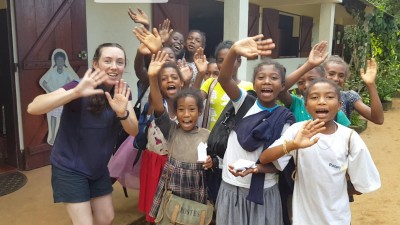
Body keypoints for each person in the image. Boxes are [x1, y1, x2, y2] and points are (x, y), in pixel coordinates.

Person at [27, 43, 138, 225]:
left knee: (106, 218)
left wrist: (122, 113)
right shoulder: (78, 86)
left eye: (120, 62)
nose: (114, 67)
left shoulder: (122, 92)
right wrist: (75, 93)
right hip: (69, 167)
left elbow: (133, 130)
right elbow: (34, 107)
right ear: (95, 64)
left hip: (98, 168)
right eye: (107, 61)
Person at [260, 78, 381, 225]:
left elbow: (362, 184)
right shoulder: (297, 131)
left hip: (338, 219)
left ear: (339, 105)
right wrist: (292, 145)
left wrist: (334, 189)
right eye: (314, 97)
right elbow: (264, 158)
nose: (321, 101)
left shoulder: (349, 138)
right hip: (303, 219)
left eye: (329, 97)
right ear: (306, 105)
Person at [215, 34, 295, 225]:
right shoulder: (244, 103)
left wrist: (256, 168)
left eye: (274, 78)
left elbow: (278, 164)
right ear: (254, 84)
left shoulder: (285, 119)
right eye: (261, 77)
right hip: (231, 186)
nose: (267, 81)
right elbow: (224, 78)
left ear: (283, 86)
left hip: (264, 192)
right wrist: (234, 50)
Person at [147, 51, 213, 219]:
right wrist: (153, 78)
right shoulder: (171, 130)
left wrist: (212, 161)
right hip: (173, 190)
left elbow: (213, 160)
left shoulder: (206, 135)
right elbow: (158, 107)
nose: (186, 114)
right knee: (170, 218)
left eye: (192, 110)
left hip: (196, 191)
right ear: (175, 112)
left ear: (199, 112)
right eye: (181, 110)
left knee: (192, 220)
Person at [200, 40, 254, 130]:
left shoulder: (250, 87)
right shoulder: (210, 83)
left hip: (236, 139)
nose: (226, 65)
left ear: (239, 62)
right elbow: (193, 102)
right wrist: (200, 74)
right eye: (221, 61)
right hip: (213, 140)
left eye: (230, 60)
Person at [323, 55, 384, 124]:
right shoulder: (312, 96)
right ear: (321, 75)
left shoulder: (348, 97)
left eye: (341, 76)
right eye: (331, 74)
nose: (336, 79)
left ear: (345, 79)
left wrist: (371, 85)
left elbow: (378, 119)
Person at [39, 50, 79, 145]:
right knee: (53, 117)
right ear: (55, 62)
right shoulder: (52, 73)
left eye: (61, 61)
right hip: (54, 98)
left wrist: (67, 90)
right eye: (58, 61)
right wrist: (51, 91)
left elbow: (75, 81)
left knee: (63, 117)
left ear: (64, 62)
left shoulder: (66, 73)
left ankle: (63, 136)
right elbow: (43, 82)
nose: (60, 63)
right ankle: (52, 136)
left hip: (63, 99)